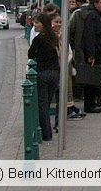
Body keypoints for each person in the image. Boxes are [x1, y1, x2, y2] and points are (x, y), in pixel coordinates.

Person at [27, 12, 61, 141]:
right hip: (54, 73)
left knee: (42, 104)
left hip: (43, 73)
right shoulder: (54, 37)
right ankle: (47, 130)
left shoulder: (39, 38)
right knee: (47, 101)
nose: (34, 25)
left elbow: (30, 54)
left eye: (37, 22)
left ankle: (45, 133)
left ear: (43, 24)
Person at [76, 0, 101, 113]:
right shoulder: (92, 16)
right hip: (94, 51)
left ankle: (94, 99)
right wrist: (91, 55)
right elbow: (90, 36)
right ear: (95, 4)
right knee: (91, 78)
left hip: (100, 50)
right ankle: (90, 104)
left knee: (97, 76)